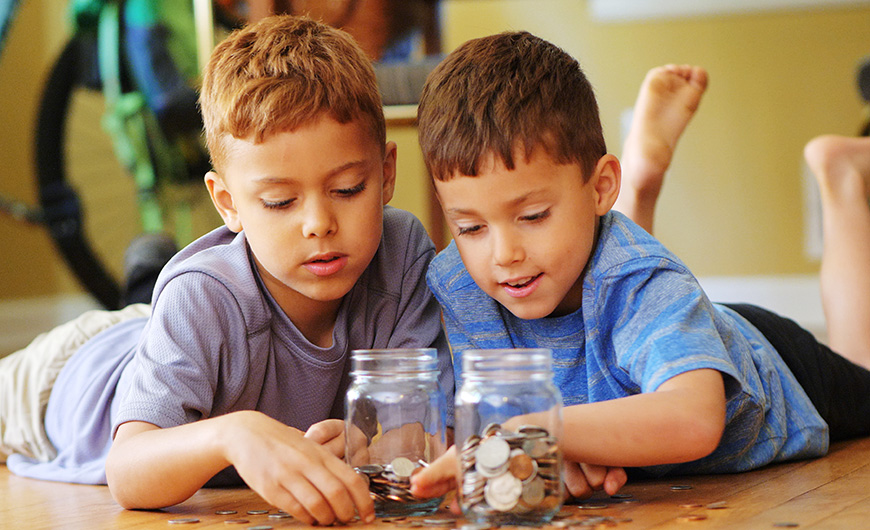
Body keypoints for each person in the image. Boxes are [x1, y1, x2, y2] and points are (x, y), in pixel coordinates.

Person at [0, 15, 454, 526]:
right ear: (227, 203)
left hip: (175, 330)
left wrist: (365, 439)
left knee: (169, 309)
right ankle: (148, 281)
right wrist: (233, 433)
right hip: (68, 376)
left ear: (386, 172)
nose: (319, 224)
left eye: (348, 189)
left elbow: (432, 428)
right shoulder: (201, 295)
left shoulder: (404, 253)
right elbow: (127, 470)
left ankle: (146, 277)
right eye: (280, 202)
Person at [407, 30, 870, 503]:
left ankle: (845, 176)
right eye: (469, 228)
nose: (503, 254)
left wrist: (536, 428)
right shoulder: (459, 283)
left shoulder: (639, 275)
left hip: (772, 360)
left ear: (600, 186)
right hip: (647, 336)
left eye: (532, 216)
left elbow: (694, 420)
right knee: (611, 291)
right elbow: (488, 432)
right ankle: (643, 178)